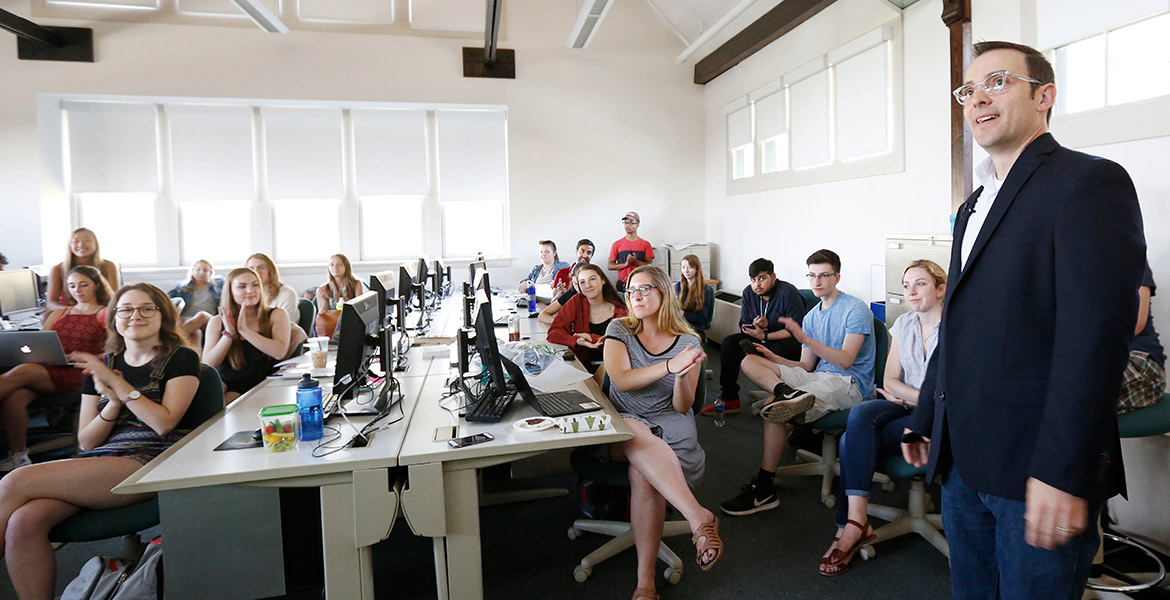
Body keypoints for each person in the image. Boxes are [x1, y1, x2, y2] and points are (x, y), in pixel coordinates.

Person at [901, 41, 1146, 600]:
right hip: (964, 458)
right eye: (969, 90)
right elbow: (959, 323)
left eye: (998, 82)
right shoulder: (974, 204)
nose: (978, 99)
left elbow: (1096, 340)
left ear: (1045, 96)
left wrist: (1063, 468)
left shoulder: (1089, 182)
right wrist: (924, 411)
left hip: (1037, 467)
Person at [0, 282, 199, 599]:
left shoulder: (180, 358)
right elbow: (87, 441)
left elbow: (164, 423)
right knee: (23, 522)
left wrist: (120, 389)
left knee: (13, 482)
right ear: (115, 318)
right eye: (126, 309)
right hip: (99, 462)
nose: (135, 315)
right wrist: (115, 403)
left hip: (151, 460)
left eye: (146, 308)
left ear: (163, 315)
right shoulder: (103, 365)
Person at [721, 249, 874, 516]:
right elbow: (805, 366)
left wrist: (803, 337)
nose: (816, 281)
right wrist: (774, 358)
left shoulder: (855, 309)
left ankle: (765, 488)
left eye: (824, 275)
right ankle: (785, 392)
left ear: (837, 277)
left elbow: (846, 360)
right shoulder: (813, 315)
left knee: (774, 408)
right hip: (816, 376)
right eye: (812, 275)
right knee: (750, 361)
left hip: (848, 382)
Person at [602, 265, 723, 599]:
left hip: (671, 426)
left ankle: (646, 584)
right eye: (631, 291)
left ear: (663, 292)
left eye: (644, 289)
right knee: (631, 430)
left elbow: (683, 405)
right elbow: (622, 381)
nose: (636, 297)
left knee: (643, 475)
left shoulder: (688, 341)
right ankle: (698, 518)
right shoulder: (619, 330)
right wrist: (670, 366)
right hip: (625, 423)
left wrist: (683, 374)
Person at [819, 259, 946, 575]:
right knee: (861, 412)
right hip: (905, 405)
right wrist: (919, 397)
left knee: (850, 440)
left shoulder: (957, 329)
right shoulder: (904, 324)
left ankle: (848, 526)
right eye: (906, 286)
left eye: (920, 284)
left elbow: (951, 396)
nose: (911, 292)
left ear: (941, 288)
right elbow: (889, 380)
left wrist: (913, 396)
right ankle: (857, 521)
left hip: (935, 418)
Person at [0, 266, 112, 472]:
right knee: (14, 398)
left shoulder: (105, 313)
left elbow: (115, 350)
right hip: (48, 368)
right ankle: (18, 456)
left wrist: (88, 357)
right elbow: (38, 342)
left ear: (96, 285)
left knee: (21, 371)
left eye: (83, 284)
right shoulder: (58, 314)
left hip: (79, 371)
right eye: (72, 286)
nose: (77, 290)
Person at [701, 258, 806, 417]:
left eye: (762, 278)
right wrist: (755, 327)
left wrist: (765, 334)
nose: (757, 284)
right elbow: (744, 325)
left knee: (781, 347)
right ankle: (730, 398)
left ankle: (781, 391)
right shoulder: (748, 293)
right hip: (760, 337)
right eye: (753, 280)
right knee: (729, 343)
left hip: (786, 342)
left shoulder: (788, 293)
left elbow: (796, 330)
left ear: (773, 277)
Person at [203, 268, 293, 404]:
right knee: (221, 405)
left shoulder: (276, 314)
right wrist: (229, 334)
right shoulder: (216, 322)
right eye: (242, 287)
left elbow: (279, 352)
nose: (250, 291)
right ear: (230, 291)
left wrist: (245, 331)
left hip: (267, 384)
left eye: (255, 285)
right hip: (231, 386)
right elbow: (208, 364)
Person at [546, 264, 626, 380]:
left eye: (592, 279)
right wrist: (577, 340)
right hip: (581, 367)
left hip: (611, 368)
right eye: (582, 282)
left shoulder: (621, 309)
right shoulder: (576, 301)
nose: (588, 285)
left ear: (603, 280)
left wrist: (590, 337)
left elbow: (620, 342)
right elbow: (554, 332)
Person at [1117, 264, 1165, 414]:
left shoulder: (1135, 264)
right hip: (1095, 360)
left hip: (1140, 359)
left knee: (1079, 391)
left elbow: (1135, 326)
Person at [45, 228, 120, 311]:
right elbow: (51, 303)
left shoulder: (108, 265)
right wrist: (74, 311)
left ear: (96, 244)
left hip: (101, 312)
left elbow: (115, 298)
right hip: (70, 313)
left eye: (87, 240)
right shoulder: (58, 269)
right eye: (76, 241)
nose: (81, 245)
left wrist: (97, 311)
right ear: (70, 245)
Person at [168, 259, 223, 348]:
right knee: (196, 333)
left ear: (211, 273)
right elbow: (168, 301)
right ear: (192, 270)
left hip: (209, 318)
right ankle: (197, 360)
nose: (201, 272)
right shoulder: (182, 287)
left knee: (201, 315)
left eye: (205, 270)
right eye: (198, 269)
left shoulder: (218, 285)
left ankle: (170, 342)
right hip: (188, 318)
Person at [246, 253, 300, 325]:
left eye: (261, 267)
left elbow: (283, 326)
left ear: (271, 271)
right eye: (251, 268)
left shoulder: (287, 294)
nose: (256, 272)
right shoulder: (248, 294)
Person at [607, 212, 654, 293]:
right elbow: (610, 266)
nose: (628, 225)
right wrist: (626, 264)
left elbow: (650, 266)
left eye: (632, 223)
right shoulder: (617, 244)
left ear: (638, 225)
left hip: (641, 283)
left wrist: (635, 262)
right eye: (626, 223)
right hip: (623, 283)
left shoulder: (645, 244)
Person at [674, 254, 714, 340]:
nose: (686, 271)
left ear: (696, 269)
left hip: (696, 329)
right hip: (680, 327)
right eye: (683, 267)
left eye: (690, 267)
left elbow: (703, 318)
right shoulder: (678, 286)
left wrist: (682, 314)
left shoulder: (706, 290)